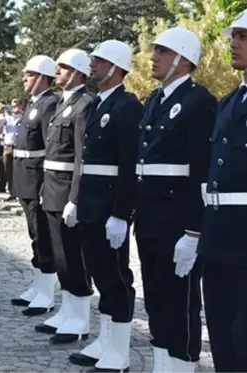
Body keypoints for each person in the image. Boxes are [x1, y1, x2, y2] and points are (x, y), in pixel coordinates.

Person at [134, 27, 217, 373]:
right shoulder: (155, 99)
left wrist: (194, 232)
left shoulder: (200, 102)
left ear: (183, 60)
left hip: (177, 220)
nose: (153, 57)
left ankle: (183, 364)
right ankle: (162, 363)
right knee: (155, 297)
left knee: (180, 301)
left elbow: (202, 173)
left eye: (163, 52)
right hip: (151, 217)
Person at [68, 40, 143, 373]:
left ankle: (120, 350)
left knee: (116, 277)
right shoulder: (97, 104)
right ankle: (106, 338)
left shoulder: (127, 107)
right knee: (99, 274)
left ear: (115, 67)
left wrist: (120, 214)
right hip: (90, 202)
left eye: (98, 61)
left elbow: (129, 166)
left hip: (109, 205)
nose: (92, 65)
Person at [197, 12, 247, 373]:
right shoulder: (228, 102)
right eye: (235, 36)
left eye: (244, 37)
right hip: (218, 235)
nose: (235, 43)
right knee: (221, 334)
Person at [34, 48, 94, 344]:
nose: (57, 71)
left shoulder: (85, 104)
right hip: (52, 187)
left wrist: (76, 198)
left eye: (64, 67)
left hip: (68, 188)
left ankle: (80, 317)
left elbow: (82, 157)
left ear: (79, 71)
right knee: (60, 256)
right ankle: (68, 310)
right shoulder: (61, 104)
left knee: (74, 256)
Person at [9, 55, 58, 317]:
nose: (24, 79)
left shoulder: (49, 104)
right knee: (34, 236)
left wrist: (44, 186)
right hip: (24, 177)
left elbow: (50, 148)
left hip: (37, 179)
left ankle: (47, 292)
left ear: (42, 77)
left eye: (28, 74)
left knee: (43, 236)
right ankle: (38, 285)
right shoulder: (34, 104)